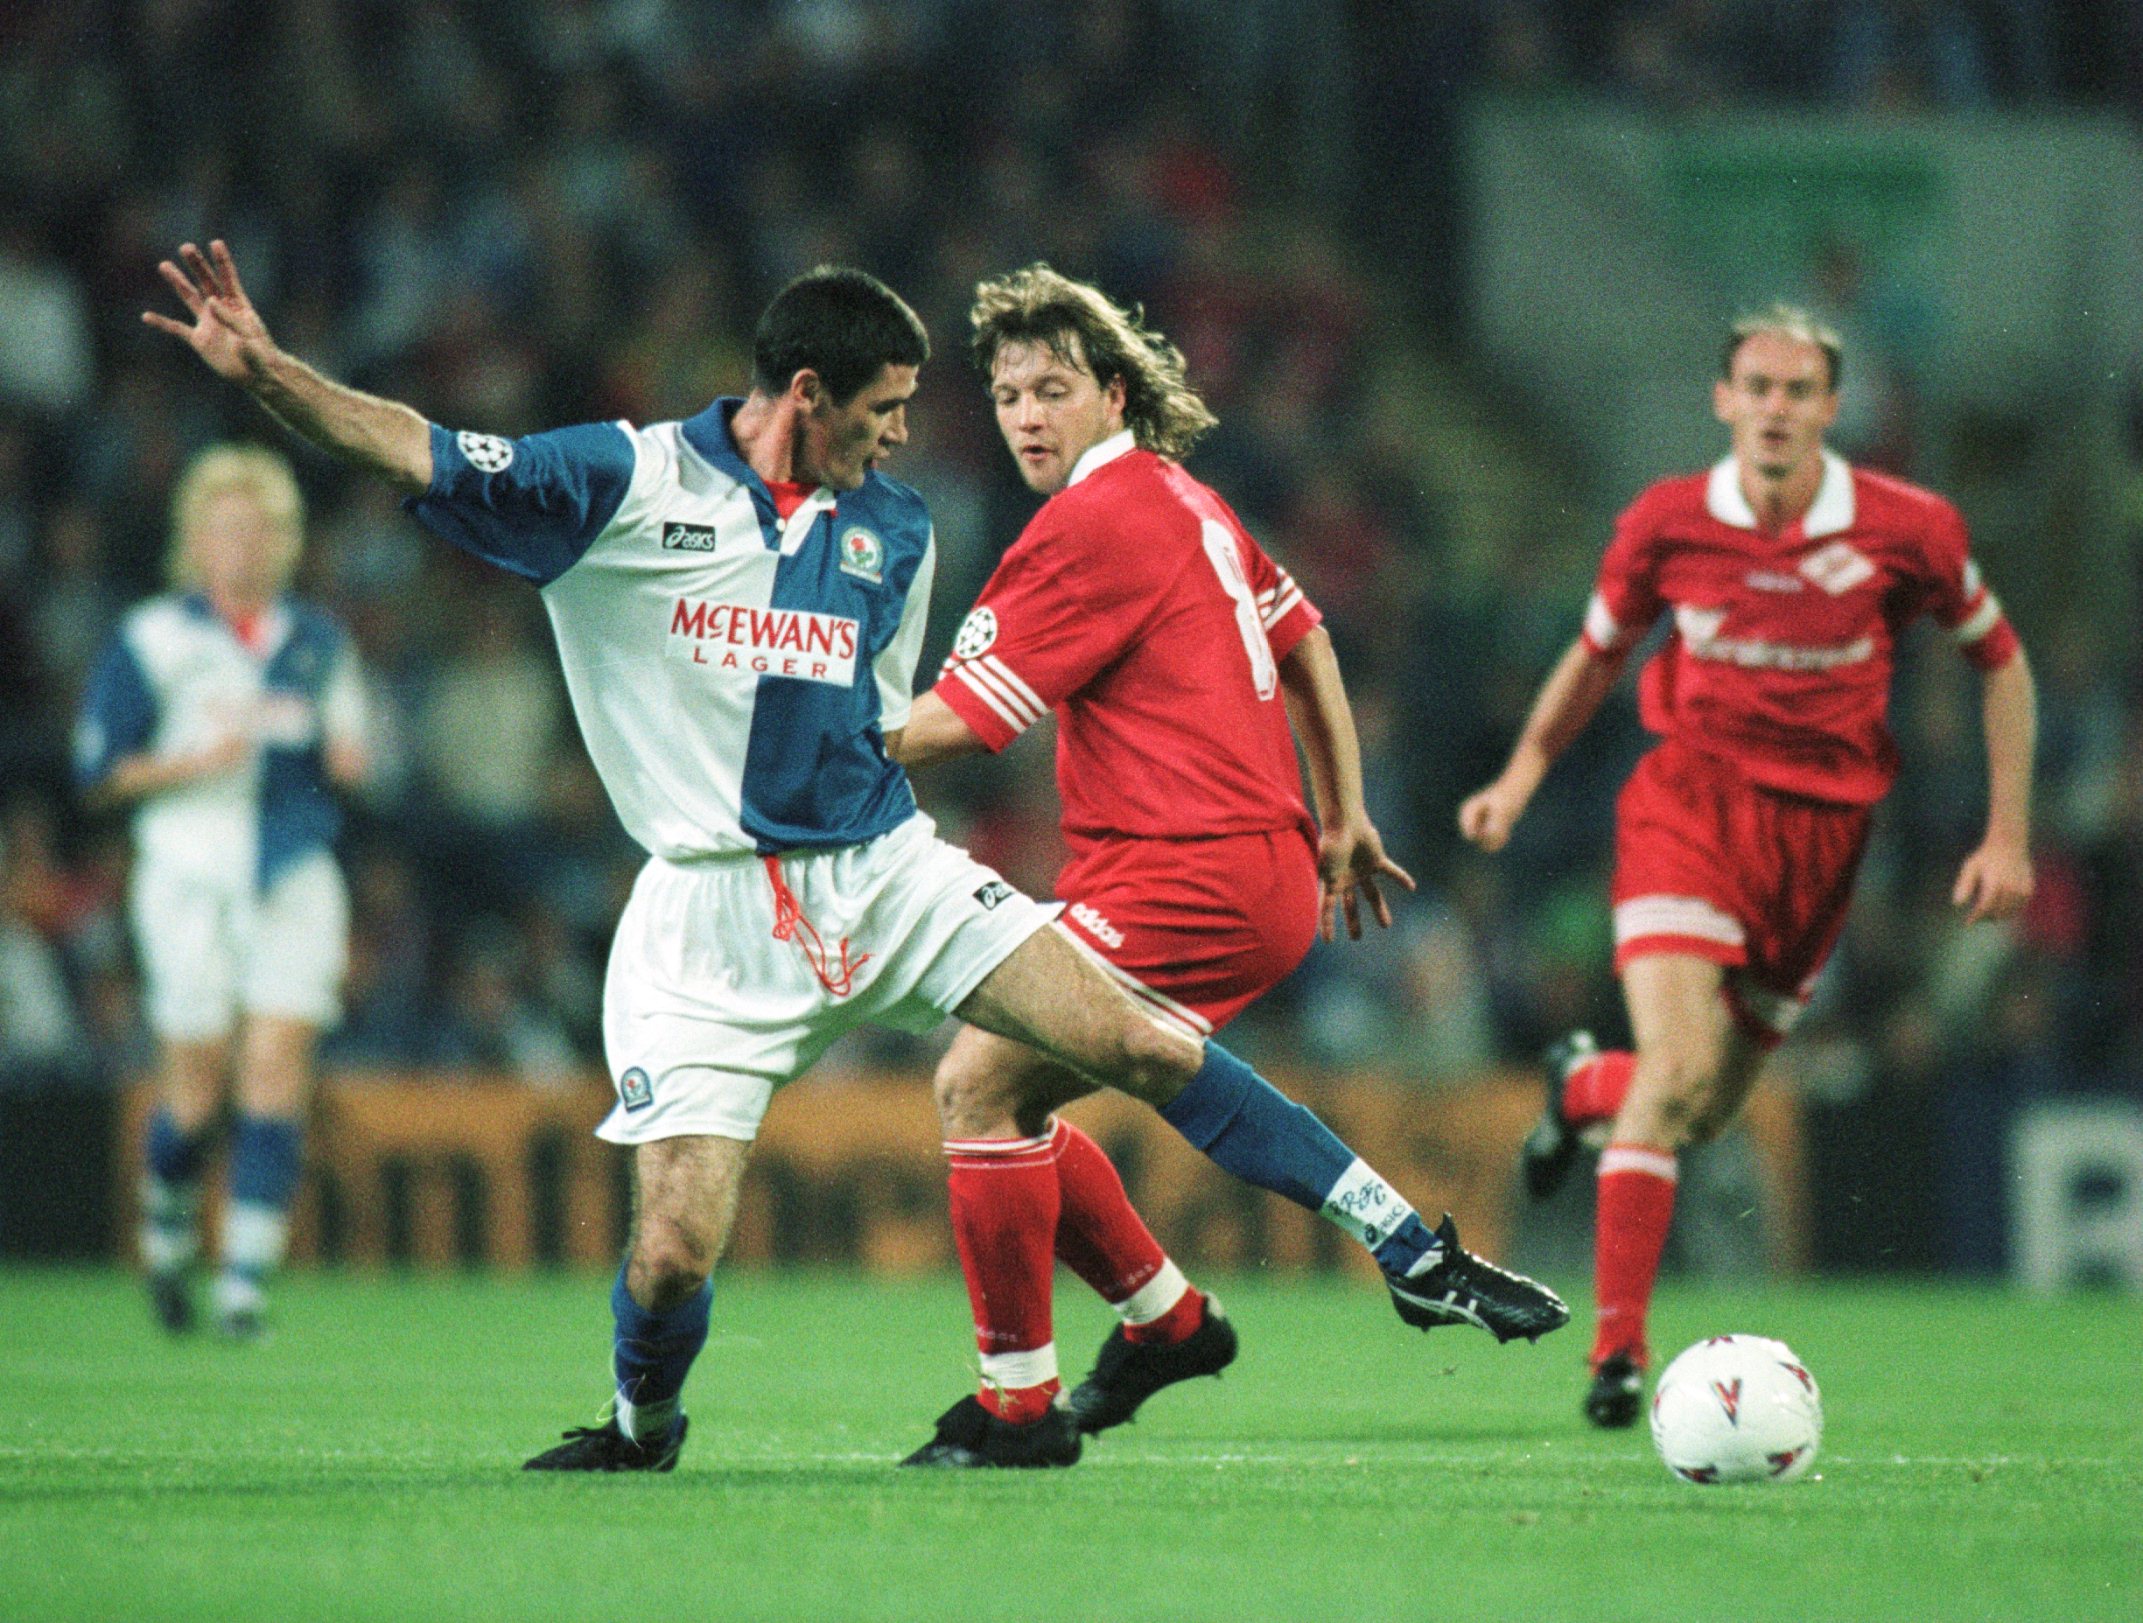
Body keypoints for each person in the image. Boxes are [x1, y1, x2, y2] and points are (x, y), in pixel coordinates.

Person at [147, 240, 1565, 1475]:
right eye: (885, 411)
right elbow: (415, 444)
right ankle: (643, 1421)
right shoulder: (622, 480)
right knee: (673, 1248)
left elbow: (889, 722)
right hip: (702, 913)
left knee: (1123, 1037)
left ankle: (1407, 1249)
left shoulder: (896, 527)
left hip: (883, 871)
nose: (906, 437)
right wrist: (268, 372)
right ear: (806, 396)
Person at [892, 264, 1487, 1461]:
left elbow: (961, 723)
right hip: (1229, 865)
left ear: (1114, 395)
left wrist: (800, 749)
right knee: (1013, 1097)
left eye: (1052, 389)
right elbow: (1307, 638)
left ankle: (1017, 1408)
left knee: (975, 1086)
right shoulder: (1185, 500)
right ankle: (1164, 1322)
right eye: (1006, 393)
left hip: (1189, 872)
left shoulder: (1092, 523)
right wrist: (1341, 815)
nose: (1024, 416)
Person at [1459, 305, 2036, 1427]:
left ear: (1831, 406)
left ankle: (1581, 1089)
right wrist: (1520, 777)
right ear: (1722, 400)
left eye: (1797, 389)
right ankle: (1616, 1357)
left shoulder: (1908, 529)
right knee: (1675, 1074)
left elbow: (2000, 662)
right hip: (1688, 811)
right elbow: (1594, 656)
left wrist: (2006, 833)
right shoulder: (1667, 523)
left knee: (1701, 1109)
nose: (1774, 408)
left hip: (1819, 851)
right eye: (1755, 387)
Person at [75, 443, 369, 1339]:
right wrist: (187, 764)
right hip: (188, 867)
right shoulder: (153, 638)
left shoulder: (317, 640)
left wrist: (342, 761)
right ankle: (167, 1222)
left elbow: (353, 754)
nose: (242, 545)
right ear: (194, 540)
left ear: (284, 540)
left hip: (292, 866)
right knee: (196, 1090)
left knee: (277, 1065)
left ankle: (245, 1282)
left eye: (260, 527)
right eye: (225, 527)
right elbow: (97, 773)